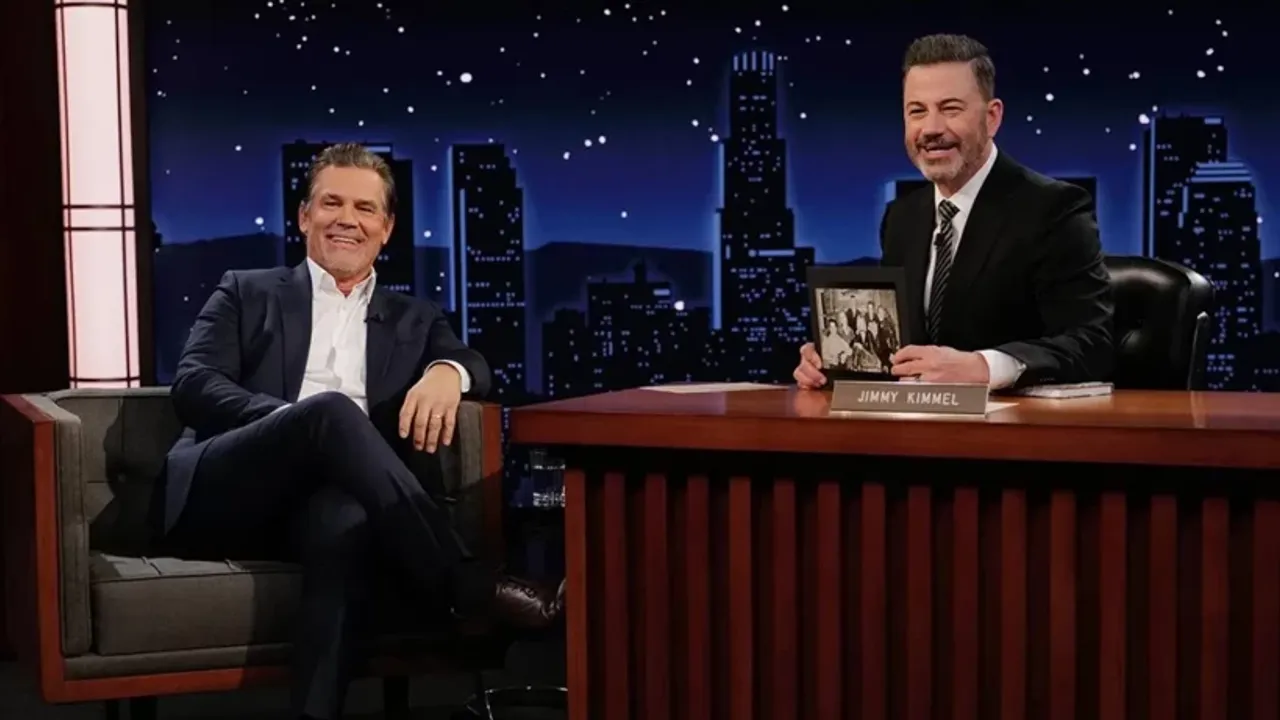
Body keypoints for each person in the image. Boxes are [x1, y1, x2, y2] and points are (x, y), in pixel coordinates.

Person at [153, 143, 563, 720]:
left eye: (365, 208)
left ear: (386, 229)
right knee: (330, 411)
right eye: (332, 203)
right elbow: (194, 383)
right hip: (229, 490)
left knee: (342, 521)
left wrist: (447, 373)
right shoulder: (246, 290)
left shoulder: (414, 317)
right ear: (304, 217)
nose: (347, 219)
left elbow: (476, 365)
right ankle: (471, 587)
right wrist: (289, 422)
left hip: (332, 500)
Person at [795, 34, 1113, 391]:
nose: (931, 129)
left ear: (992, 118)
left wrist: (984, 367)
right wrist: (837, 360)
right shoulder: (902, 217)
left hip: (1013, 421)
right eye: (917, 111)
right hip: (916, 420)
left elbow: (1091, 344)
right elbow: (901, 347)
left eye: (950, 109)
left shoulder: (1054, 209)